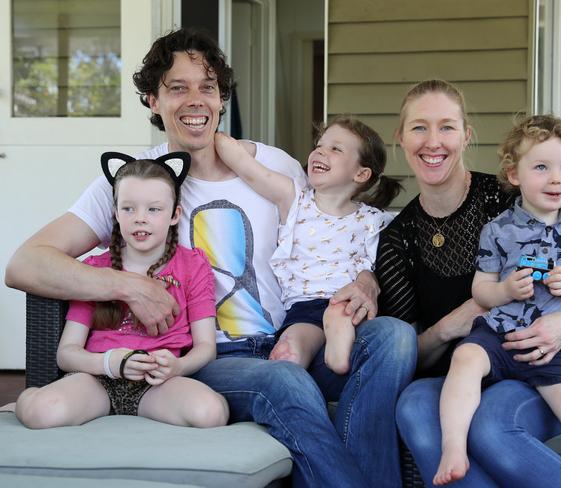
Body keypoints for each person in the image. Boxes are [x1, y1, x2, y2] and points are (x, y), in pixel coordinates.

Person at [5, 28, 416, 487]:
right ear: (151, 102)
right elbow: (25, 264)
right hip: (213, 358)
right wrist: (130, 286)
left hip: (302, 338)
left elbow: (335, 233)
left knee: (394, 338)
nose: (196, 100)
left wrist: (367, 281)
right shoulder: (137, 182)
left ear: (222, 99)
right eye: (177, 88)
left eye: (208, 87)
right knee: (284, 382)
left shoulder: (277, 167)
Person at [375, 79, 561, 487]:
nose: (433, 141)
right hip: (457, 376)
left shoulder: (507, 197)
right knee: (412, 407)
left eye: (446, 126)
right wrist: (452, 324)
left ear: (465, 136)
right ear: (401, 139)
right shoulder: (398, 238)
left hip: (532, 365)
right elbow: (408, 354)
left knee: (491, 426)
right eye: (419, 127)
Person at [434, 114, 561, 487]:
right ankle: (453, 447)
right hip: (499, 333)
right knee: (465, 356)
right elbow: (481, 288)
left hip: (553, 349)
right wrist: (504, 291)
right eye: (541, 167)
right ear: (514, 174)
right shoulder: (497, 229)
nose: (556, 178)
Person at [11, 153, 229, 429]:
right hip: (98, 381)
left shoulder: (192, 266)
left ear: (175, 215)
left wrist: (178, 367)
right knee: (43, 413)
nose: (140, 219)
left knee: (210, 413)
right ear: (115, 214)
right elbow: (66, 354)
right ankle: (28, 398)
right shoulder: (95, 270)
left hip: (159, 385)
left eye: (154, 209)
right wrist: (109, 363)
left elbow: (206, 347)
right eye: (128, 209)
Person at [214, 117, 400, 374]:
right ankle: (319, 357)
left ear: (361, 173)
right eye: (319, 145)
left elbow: (386, 268)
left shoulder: (373, 220)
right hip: (305, 307)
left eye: (336, 149)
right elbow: (243, 163)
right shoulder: (294, 199)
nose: (320, 151)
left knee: (344, 316)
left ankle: (339, 344)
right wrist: (218, 138)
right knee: (290, 349)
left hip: (350, 304)